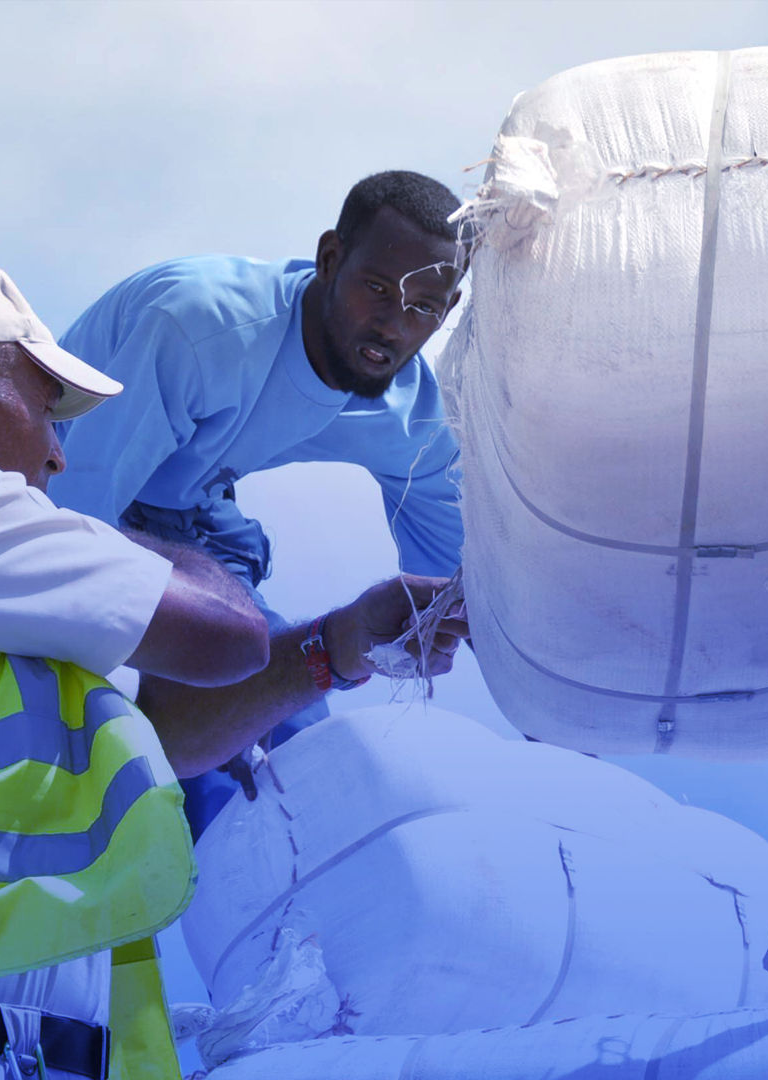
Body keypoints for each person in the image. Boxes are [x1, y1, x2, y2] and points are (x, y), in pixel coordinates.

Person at [0, 258, 465, 1080]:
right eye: (48, 414)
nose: (57, 458)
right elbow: (228, 631)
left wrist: (338, 643)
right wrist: (176, 528)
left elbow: (169, 732)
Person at [49, 169, 467, 830]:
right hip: (57, 491)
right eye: (377, 289)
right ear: (330, 258)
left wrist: (556, 702)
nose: (394, 325)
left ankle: (270, 882)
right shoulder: (200, 329)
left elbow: (464, 583)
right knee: (193, 703)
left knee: (292, 723)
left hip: (189, 514)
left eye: (424, 308)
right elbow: (67, 529)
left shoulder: (409, 415)